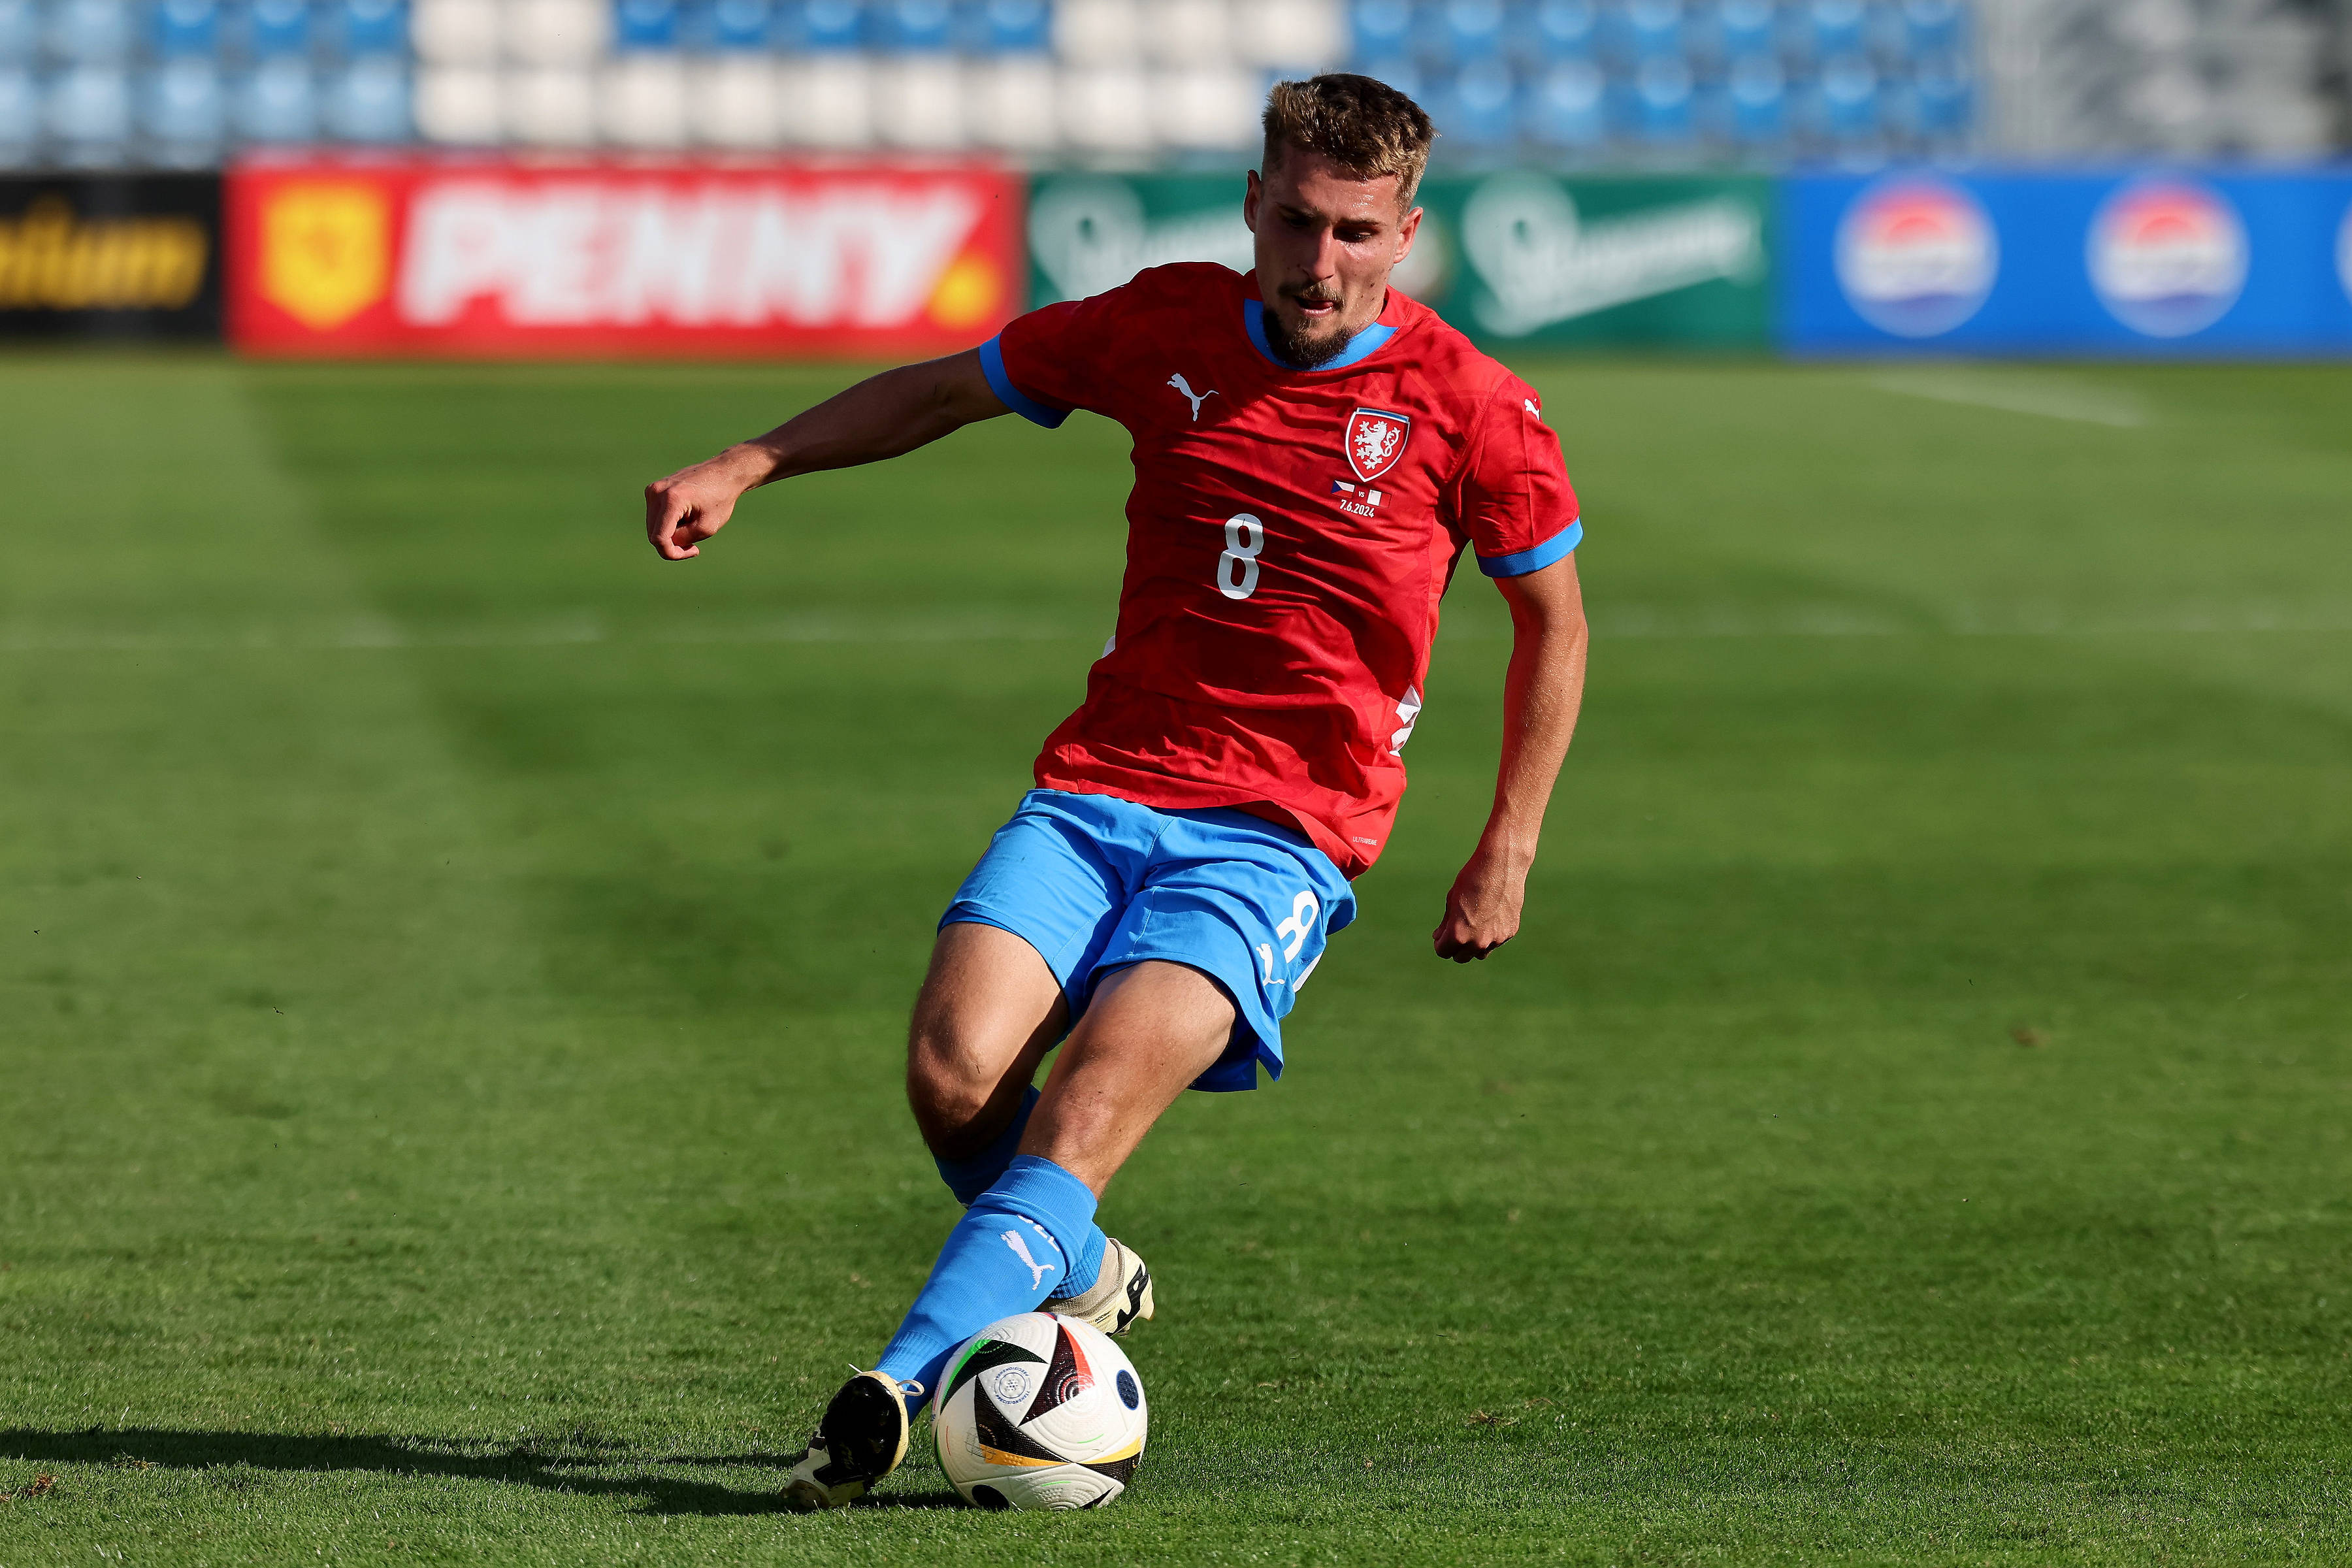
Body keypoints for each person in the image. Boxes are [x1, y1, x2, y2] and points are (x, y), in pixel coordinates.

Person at [640, 73, 1589, 1509]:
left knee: (1080, 1108)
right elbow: (951, 389)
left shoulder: (1470, 407)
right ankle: (1077, 1267)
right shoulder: (1162, 322)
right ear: (1253, 206)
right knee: (956, 1078)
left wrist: (1506, 844)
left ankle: (894, 1394)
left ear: (1404, 234)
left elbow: (1554, 623)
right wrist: (753, 458)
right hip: (1100, 793)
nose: (1316, 260)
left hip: (1280, 836)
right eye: (1292, 220)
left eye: (1351, 232)